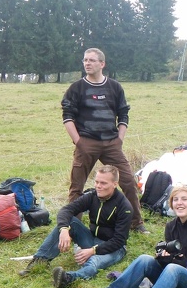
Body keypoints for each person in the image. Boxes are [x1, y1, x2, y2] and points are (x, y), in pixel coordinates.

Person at [61, 47, 149, 234]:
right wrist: (78, 141)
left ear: (102, 64)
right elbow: (67, 116)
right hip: (86, 143)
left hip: (111, 143)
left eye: (92, 60)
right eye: (85, 60)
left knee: (128, 181)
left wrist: (119, 139)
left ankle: (136, 222)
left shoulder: (114, 87)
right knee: (77, 187)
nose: (87, 63)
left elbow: (123, 114)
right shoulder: (76, 88)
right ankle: (74, 227)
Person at [18, 165, 132, 288]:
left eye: (103, 183)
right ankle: (39, 261)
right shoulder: (92, 196)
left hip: (115, 248)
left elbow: (119, 240)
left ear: (114, 184)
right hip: (92, 238)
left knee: (94, 261)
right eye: (96, 182)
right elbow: (66, 210)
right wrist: (64, 229)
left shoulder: (124, 206)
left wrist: (92, 251)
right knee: (70, 222)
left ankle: (68, 278)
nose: (98, 186)